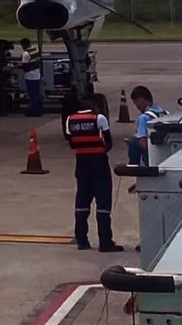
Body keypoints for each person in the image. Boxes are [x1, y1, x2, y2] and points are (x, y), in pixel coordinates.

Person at [64, 93, 124, 252]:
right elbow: (108, 142)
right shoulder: (99, 119)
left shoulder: (70, 119)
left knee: (82, 202)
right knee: (103, 203)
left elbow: (71, 143)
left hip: (81, 163)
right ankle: (105, 241)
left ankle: (82, 240)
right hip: (99, 163)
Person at [129, 85, 167, 167]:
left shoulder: (144, 118)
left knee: (133, 141)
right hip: (166, 157)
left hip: (150, 160)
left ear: (141, 100)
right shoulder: (165, 113)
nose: (137, 107)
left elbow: (143, 143)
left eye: (137, 104)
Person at [19, 37, 43, 117]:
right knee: (37, 94)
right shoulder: (35, 50)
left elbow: (25, 67)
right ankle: (39, 110)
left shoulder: (26, 54)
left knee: (32, 95)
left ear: (24, 45)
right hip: (37, 75)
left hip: (30, 76)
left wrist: (17, 67)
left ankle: (34, 111)